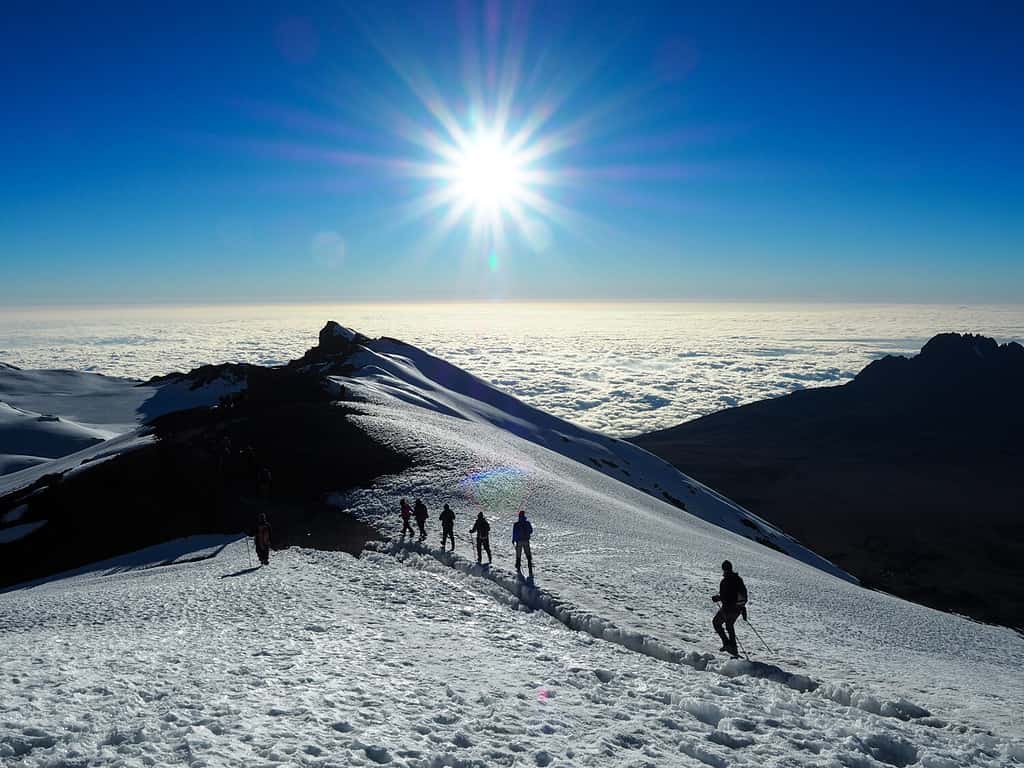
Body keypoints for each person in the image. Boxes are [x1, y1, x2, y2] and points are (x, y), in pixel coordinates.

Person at [711, 560, 747, 657]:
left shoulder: (726, 580)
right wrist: (743, 608)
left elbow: (725, 597)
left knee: (716, 622)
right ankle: (733, 648)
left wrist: (717, 598)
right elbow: (742, 594)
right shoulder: (738, 579)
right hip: (738, 608)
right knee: (729, 625)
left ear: (723, 569)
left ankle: (727, 644)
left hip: (728, 608)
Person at [512, 510, 533, 577]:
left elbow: (514, 533)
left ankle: (518, 567)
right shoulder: (527, 523)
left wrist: (513, 540)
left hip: (519, 541)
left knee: (518, 554)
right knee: (528, 554)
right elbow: (531, 531)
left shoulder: (516, 524)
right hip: (526, 540)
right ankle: (530, 567)